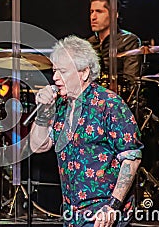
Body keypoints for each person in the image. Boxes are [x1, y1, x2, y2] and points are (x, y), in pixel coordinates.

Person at [30, 35, 143, 227]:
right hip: (71, 212)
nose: (55, 77)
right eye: (54, 71)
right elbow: (38, 146)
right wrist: (42, 112)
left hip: (103, 213)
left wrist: (112, 206)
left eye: (62, 72)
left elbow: (131, 159)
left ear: (84, 73)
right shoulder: (60, 105)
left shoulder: (109, 104)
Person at [88, 0, 142, 91]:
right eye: (91, 12)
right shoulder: (88, 44)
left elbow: (131, 81)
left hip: (117, 100)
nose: (93, 17)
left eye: (99, 12)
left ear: (114, 14)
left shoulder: (129, 41)